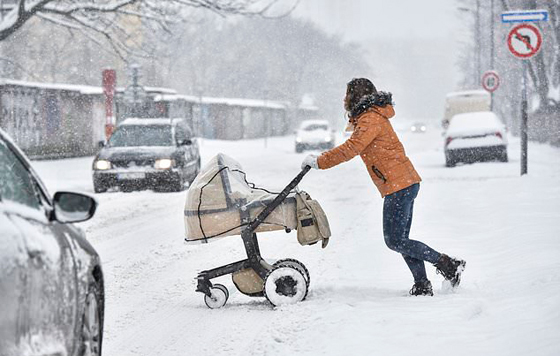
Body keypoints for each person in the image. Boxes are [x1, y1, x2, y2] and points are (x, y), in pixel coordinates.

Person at [301, 78, 465, 296]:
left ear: (356, 96)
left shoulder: (370, 118)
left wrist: (319, 161)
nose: (343, 98)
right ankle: (422, 284)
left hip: (399, 185)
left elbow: (351, 148)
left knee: (395, 240)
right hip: (402, 183)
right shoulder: (370, 116)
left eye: (347, 94)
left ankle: (447, 264)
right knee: (402, 240)